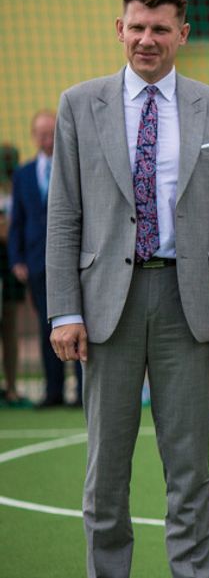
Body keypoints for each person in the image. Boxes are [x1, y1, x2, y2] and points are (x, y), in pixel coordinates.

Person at [46, 0, 209, 578]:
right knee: (106, 470)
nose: (147, 39)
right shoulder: (77, 104)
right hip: (104, 305)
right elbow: (64, 216)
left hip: (186, 304)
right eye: (136, 27)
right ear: (119, 29)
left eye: (160, 29)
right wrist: (65, 310)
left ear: (182, 35)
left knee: (189, 469)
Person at [11, 111, 83, 407]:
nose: (47, 138)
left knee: (79, 325)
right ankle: (53, 392)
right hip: (38, 264)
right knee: (47, 327)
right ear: (33, 136)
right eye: (41, 133)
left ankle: (81, 392)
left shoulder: (76, 168)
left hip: (75, 263)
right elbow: (18, 220)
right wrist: (18, 259)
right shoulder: (24, 174)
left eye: (52, 132)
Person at [0, 144, 26, 405]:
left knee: (10, 325)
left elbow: (18, 221)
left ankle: (12, 386)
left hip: (8, 262)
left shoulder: (16, 183)